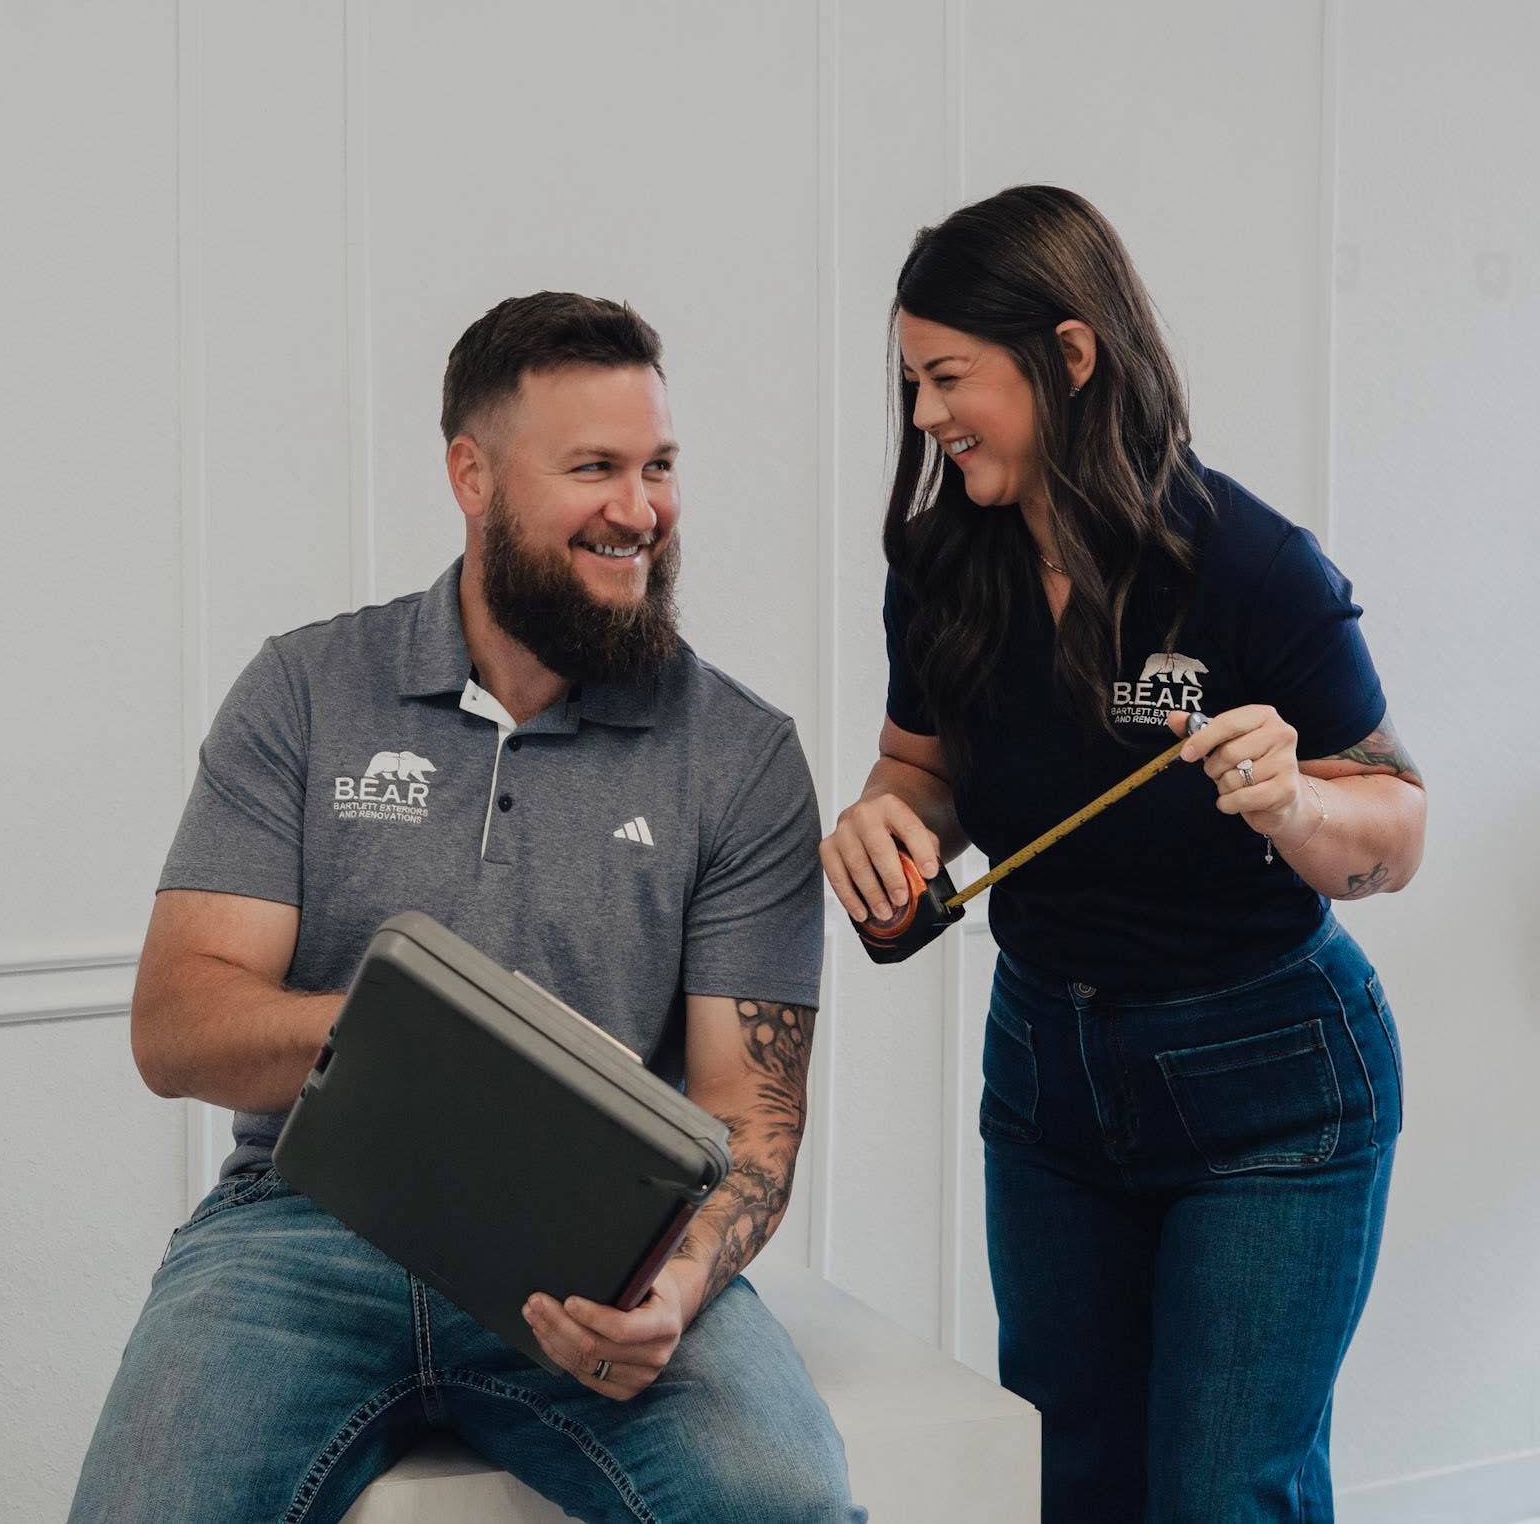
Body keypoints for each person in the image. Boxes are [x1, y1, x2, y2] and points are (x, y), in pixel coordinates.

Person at [71, 292, 864, 1523]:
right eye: (593, 468)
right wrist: (413, 1038)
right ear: (472, 475)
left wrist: (677, 1286)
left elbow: (747, 1114)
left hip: (600, 1256)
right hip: (301, 1227)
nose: (638, 510)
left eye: (656, 467)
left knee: (784, 1499)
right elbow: (177, 1025)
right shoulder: (304, 690)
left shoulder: (741, 755)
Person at [820, 186, 1425, 1523]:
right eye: (912, 381)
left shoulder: (1252, 568)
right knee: (1077, 1486)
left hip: (1273, 1095)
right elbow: (921, 769)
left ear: (1071, 356)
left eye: (947, 378)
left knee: (1221, 1498)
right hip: (1049, 1086)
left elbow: (1395, 820)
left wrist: (1297, 808)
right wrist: (890, 828)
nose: (923, 414)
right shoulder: (940, 564)